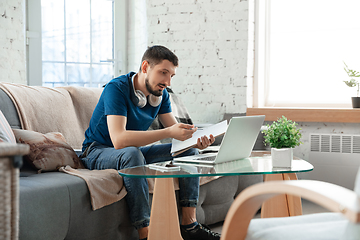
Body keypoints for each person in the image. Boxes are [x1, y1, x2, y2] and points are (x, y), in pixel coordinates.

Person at [80, 45, 221, 240]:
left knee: (188, 154)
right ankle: (146, 234)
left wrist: (195, 142)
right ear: (145, 66)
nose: (167, 81)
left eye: (171, 75)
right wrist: (169, 132)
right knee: (132, 153)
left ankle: (190, 226)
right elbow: (119, 140)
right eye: (163, 72)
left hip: (131, 153)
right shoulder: (117, 89)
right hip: (97, 151)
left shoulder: (160, 94)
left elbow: (177, 132)